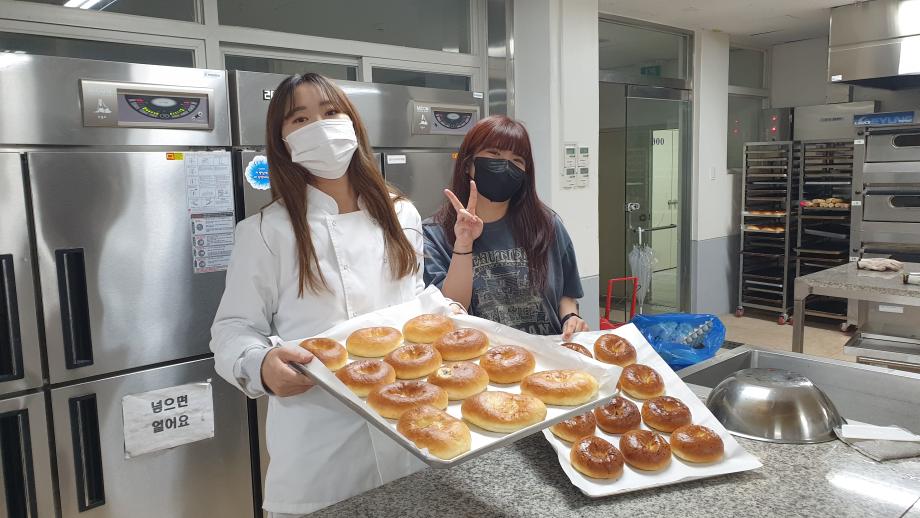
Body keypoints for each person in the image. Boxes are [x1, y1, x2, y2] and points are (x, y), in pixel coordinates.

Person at [210, 73, 426, 517]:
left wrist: (445, 313)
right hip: (320, 454)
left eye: (330, 113)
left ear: (353, 123)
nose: (321, 127)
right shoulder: (266, 232)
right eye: (300, 119)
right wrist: (261, 365)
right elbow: (233, 328)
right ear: (283, 140)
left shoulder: (401, 214)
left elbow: (416, 298)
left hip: (411, 433)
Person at [424, 115, 589, 340]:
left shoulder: (547, 226)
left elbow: (567, 294)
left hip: (547, 354)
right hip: (481, 356)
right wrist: (463, 243)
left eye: (517, 160)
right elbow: (451, 312)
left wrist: (571, 318)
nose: (506, 165)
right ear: (468, 164)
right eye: (494, 154)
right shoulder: (435, 234)